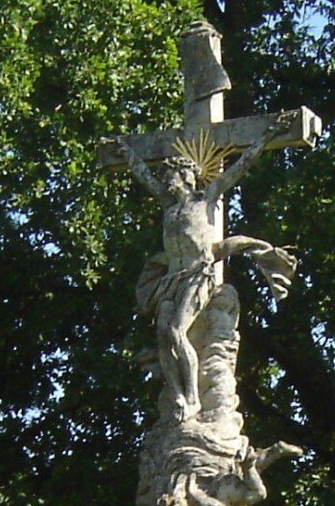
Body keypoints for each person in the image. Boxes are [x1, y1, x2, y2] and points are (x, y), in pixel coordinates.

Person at [121, 120, 299, 420]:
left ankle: (192, 397)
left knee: (178, 331)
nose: (166, 182)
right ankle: (177, 393)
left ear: (187, 176)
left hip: (197, 276)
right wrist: (127, 153)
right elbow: (144, 178)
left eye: (172, 177)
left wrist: (266, 136)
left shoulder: (205, 200)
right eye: (165, 178)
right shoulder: (169, 207)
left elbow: (239, 167)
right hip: (171, 281)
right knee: (165, 335)